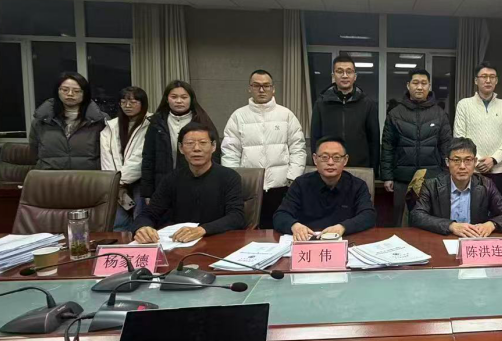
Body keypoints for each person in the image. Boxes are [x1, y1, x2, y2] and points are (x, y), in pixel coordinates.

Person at [133, 122, 245, 243]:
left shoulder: (229, 177)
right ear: (181, 148)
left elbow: (236, 217)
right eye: (190, 143)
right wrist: (142, 227)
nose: (196, 149)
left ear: (213, 146)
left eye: (203, 143)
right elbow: (149, 213)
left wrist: (203, 230)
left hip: (217, 241)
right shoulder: (171, 179)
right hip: (179, 243)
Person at [221, 69, 306, 228]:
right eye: (256, 86)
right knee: (249, 232)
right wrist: (236, 181)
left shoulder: (286, 115)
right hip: (249, 188)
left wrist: (292, 177)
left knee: (279, 230)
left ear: (273, 89)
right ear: (250, 88)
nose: (261, 90)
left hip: (281, 186)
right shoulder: (238, 116)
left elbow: (298, 148)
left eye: (266, 86)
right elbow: (230, 151)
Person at [381, 68, 453, 225]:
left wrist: (446, 175)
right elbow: (388, 146)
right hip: (402, 178)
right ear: (408, 85)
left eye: (424, 83)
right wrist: (387, 176)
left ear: (429, 86)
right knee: (401, 221)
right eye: (415, 83)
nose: (419, 87)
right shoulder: (395, 114)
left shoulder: (440, 114)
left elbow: (446, 146)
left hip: (432, 178)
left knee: (431, 221)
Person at [273, 137, 376, 241]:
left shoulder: (357, 186)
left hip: (345, 241)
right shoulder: (300, 184)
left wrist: (343, 227)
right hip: (308, 242)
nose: (330, 162)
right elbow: (280, 215)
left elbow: (368, 216)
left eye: (336, 157)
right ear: (315, 159)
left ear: (345, 160)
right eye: (324, 157)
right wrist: (294, 226)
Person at [410, 137, 502, 237]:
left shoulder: (486, 185)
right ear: (447, 162)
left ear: (475, 161)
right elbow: (417, 215)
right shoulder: (432, 185)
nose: (462, 166)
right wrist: (450, 226)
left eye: (468, 160)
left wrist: (491, 224)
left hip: (474, 240)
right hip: (443, 239)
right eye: (456, 160)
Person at [141, 80, 220, 204]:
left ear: (191, 99)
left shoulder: (202, 121)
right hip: (163, 184)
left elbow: (215, 156)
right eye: (174, 97)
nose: (179, 101)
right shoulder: (157, 122)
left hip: (197, 184)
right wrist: (148, 193)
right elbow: (148, 158)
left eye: (184, 97)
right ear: (167, 99)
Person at [453, 62, 502, 199]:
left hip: (499, 170)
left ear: (496, 80)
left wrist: (493, 159)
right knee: (472, 208)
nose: (488, 80)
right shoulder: (464, 104)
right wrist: (477, 161)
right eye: (484, 76)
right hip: (471, 169)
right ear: (476, 80)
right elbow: (459, 136)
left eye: (492, 77)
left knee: (498, 208)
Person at [310, 53, 380, 172]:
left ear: (355, 76)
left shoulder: (368, 104)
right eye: (339, 71)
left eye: (349, 71)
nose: (345, 75)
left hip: (360, 167)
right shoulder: (321, 103)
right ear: (333, 76)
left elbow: (374, 141)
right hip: (330, 167)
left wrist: (374, 170)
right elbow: (315, 138)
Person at [29, 72, 106, 170]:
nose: (70, 94)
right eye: (65, 90)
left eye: (76, 91)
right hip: (50, 177)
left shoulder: (100, 120)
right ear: (57, 91)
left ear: (85, 94)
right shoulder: (41, 121)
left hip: (87, 177)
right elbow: (34, 153)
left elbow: (107, 154)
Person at [100, 86, 151, 231]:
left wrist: (119, 181)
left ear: (143, 103)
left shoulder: (151, 123)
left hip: (140, 181)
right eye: (123, 102)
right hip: (115, 183)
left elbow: (141, 157)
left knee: (140, 221)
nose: (127, 106)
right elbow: (106, 156)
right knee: (118, 223)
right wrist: (113, 181)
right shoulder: (110, 126)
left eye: (133, 102)